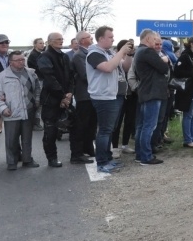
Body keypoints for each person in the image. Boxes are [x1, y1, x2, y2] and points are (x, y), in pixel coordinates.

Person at [86, 26, 132, 174]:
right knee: (105, 130)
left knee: (110, 129)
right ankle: (102, 162)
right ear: (101, 38)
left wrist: (128, 54)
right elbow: (107, 68)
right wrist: (120, 52)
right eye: (110, 37)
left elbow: (125, 67)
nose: (113, 39)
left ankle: (108, 158)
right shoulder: (94, 54)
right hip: (104, 96)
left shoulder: (110, 53)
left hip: (115, 95)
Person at [0, 51, 41, 170]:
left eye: (22, 59)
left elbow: (37, 88)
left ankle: (27, 160)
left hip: (29, 110)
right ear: (11, 62)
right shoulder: (2, 76)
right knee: (11, 139)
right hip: (11, 111)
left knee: (27, 138)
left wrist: (37, 101)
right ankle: (12, 162)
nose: (21, 62)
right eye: (18, 60)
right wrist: (3, 109)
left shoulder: (31, 73)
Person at [37, 32, 74, 167]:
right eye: (58, 39)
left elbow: (71, 76)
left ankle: (76, 155)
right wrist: (63, 96)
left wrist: (69, 93)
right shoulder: (44, 57)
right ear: (50, 41)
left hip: (66, 97)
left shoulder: (64, 56)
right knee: (50, 131)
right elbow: (49, 78)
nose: (61, 41)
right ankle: (52, 158)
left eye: (62, 39)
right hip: (50, 100)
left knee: (73, 125)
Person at [133, 29, 167, 165]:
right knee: (149, 126)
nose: (155, 42)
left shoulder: (139, 51)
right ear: (147, 39)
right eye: (154, 39)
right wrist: (164, 60)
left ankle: (140, 154)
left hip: (145, 91)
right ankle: (146, 156)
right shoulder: (147, 51)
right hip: (152, 92)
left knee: (142, 125)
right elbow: (163, 68)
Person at [70, 30, 96, 164]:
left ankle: (88, 148)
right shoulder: (79, 55)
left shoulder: (89, 53)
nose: (91, 38)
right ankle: (77, 153)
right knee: (82, 124)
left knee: (91, 124)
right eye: (89, 37)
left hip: (92, 94)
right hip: (84, 95)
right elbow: (86, 75)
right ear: (82, 41)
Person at [174, 37, 193, 148]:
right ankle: (187, 139)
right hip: (189, 88)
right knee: (188, 114)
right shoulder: (185, 56)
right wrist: (192, 73)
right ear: (191, 44)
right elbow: (177, 71)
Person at [111, 39, 137, 155]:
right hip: (119, 94)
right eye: (127, 47)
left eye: (131, 48)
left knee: (129, 120)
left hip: (131, 94)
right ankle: (115, 146)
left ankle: (125, 144)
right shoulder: (115, 58)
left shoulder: (132, 58)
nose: (130, 49)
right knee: (117, 121)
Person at [27, 37, 45, 130]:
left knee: (40, 102)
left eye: (43, 43)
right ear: (35, 44)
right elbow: (37, 69)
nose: (42, 45)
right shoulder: (33, 55)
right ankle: (35, 122)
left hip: (42, 79)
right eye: (40, 43)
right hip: (38, 80)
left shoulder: (40, 54)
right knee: (37, 101)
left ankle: (36, 121)